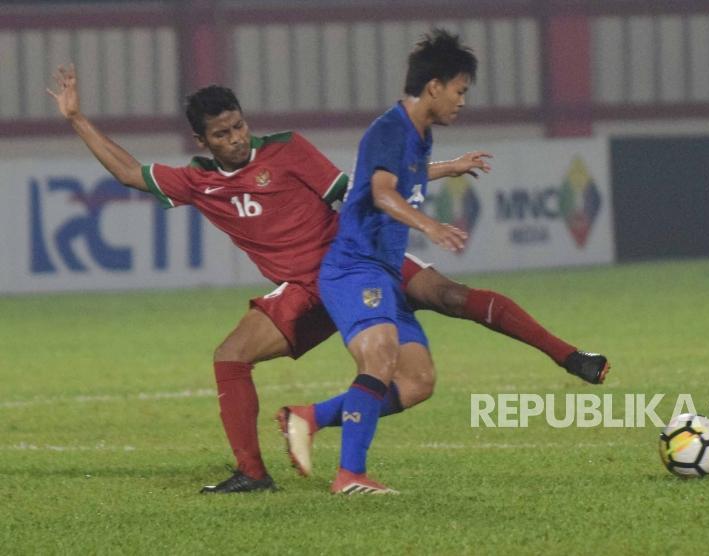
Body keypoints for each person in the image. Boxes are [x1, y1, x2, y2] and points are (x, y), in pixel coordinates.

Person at [48, 62, 608, 494]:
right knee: (230, 356)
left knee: (428, 351)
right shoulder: (196, 182)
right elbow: (126, 172)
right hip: (303, 289)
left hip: (352, 261)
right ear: (203, 141)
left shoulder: (288, 151)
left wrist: (442, 167)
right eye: (221, 134)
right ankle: (256, 473)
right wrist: (76, 118)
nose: (236, 138)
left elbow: (363, 187)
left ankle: (568, 355)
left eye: (239, 126)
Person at [300, 29, 610, 495]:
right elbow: (383, 192)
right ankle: (350, 475)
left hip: (385, 268)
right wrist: (429, 225)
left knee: (419, 380)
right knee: (381, 357)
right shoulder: (388, 128)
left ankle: (308, 417)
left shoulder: (417, 133)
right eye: (460, 90)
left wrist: (450, 166)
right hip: (356, 265)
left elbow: (401, 173)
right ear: (434, 87)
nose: (462, 102)